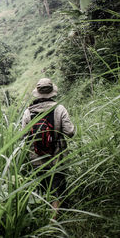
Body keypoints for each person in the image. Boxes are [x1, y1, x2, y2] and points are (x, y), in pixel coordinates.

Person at [21, 78, 75, 216]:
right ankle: (54, 220)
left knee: (44, 188)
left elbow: (23, 136)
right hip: (57, 157)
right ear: (52, 92)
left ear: (37, 93)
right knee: (58, 187)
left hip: (37, 158)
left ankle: (44, 216)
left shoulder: (28, 112)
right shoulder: (59, 109)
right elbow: (70, 132)